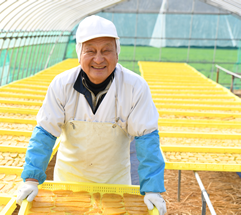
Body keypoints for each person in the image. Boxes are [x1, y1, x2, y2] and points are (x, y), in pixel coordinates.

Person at [17, 15, 167, 215]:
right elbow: (44, 133)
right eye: (91, 51)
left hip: (115, 184)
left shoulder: (134, 87)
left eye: (106, 50)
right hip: (69, 183)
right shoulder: (62, 85)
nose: (98, 59)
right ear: (80, 53)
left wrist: (152, 188)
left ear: (117, 53)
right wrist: (31, 179)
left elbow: (146, 139)